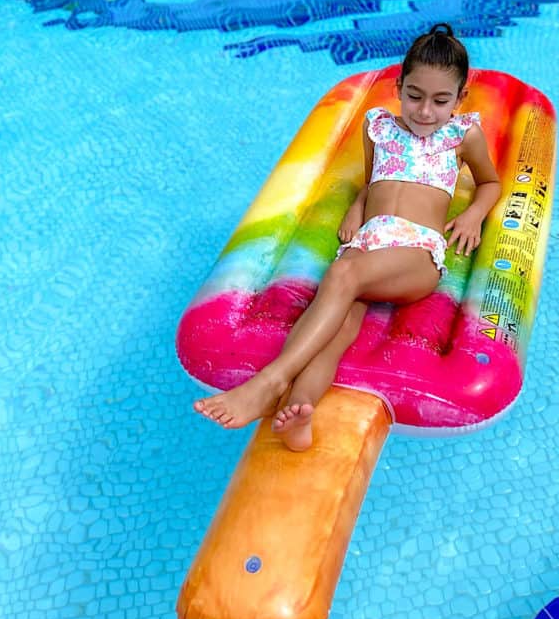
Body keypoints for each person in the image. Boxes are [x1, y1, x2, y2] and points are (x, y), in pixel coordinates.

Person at [193, 23, 501, 450]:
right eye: (414, 95)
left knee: (340, 276)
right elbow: (376, 180)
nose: (425, 111)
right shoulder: (378, 125)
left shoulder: (461, 134)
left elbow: (490, 183)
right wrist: (358, 209)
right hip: (370, 245)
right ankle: (297, 411)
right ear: (399, 86)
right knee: (336, 330)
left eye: (440, 100)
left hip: (416, 254)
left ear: (460, 99)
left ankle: (269, 382)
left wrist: (473, 215)